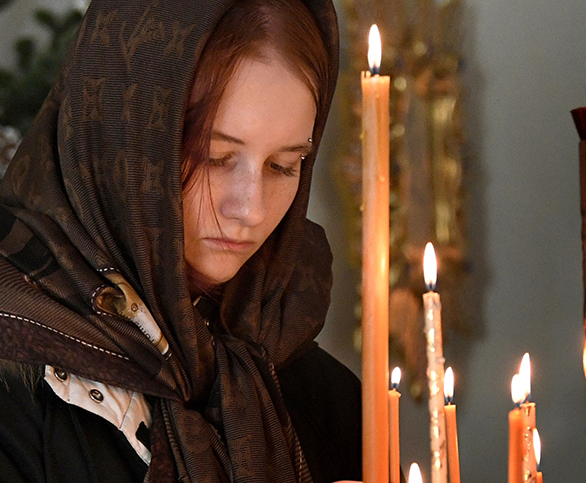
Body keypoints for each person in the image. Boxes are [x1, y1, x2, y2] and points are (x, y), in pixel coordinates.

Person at [0, 0, 362, 481]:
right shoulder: (16, 389)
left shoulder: (325, 397)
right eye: (215, 157)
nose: (252, 209)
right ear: (117, 139)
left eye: (283, 166)